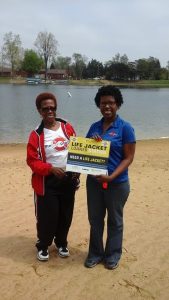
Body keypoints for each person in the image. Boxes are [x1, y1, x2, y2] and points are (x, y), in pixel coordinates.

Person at [84, 85, 136, 270]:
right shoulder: (94, 127)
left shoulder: (125, 128)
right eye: (103, 103)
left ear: (118, 105)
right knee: (95, 219)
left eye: (111, 103)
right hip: (94, 183)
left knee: (115, 220)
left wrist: (112, 176)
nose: (107, 106)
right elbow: (85, 153)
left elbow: (129, 158)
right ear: (98, 105)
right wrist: (93, 143)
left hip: (117, 183)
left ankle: (113, 255)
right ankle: (95, 253)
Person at [27, 92, 79, 262]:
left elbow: (77, 150)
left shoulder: (67, 127)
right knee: (48, 216)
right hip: (47, 182)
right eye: (45, 108)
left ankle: (62, 243)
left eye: (52, 107)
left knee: (65, 214)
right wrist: (50, 169)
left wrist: (78, 169)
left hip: (68, 180)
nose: (49, 111)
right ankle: (43, 246)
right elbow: (32, 161)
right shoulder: (36, 134)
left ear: (56, 108)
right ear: (39, 110)